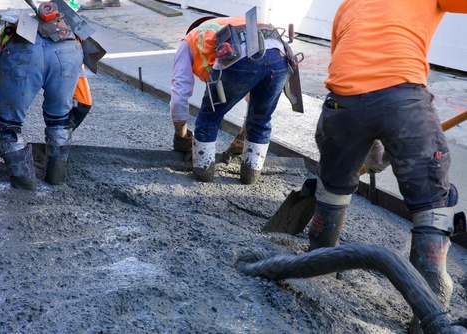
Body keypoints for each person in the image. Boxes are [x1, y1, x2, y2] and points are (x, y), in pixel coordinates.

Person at [307, 0, 467, 332]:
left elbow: (350, 69)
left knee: (334, 183)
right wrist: (384, 134)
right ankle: (429, 306)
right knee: (432, 201)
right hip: (403, 99)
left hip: (341, 105)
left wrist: (371, 140)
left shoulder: (349, 5)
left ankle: (317, 265)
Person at [0, 4, 92, 191]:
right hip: (67, 54)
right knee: (60, 120)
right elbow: (85, 103)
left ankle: (25, 188)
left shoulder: (4, 37)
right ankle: (55, 180)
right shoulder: (73, 40)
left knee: (7, 126)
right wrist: (65, 128)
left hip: (22, 53)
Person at [170, 16, 289, 184]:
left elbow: (179, 94)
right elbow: (251, 97)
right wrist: (241, 140)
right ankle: (250, 177)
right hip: (279, 55)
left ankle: (203, 173)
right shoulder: (231, 23)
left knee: (210, 117)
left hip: (240, 58)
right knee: (261, 119)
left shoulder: (189, 41)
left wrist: (181, 137)